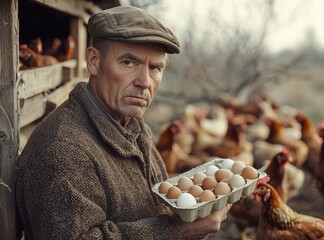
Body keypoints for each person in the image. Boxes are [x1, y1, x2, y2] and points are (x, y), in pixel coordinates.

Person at [15, 5, 231, 240]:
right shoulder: (62, 152)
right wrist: (180, 231)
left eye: (155, 67)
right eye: (129, 62)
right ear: (94, 61)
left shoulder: (133, 125)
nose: (145, 82)